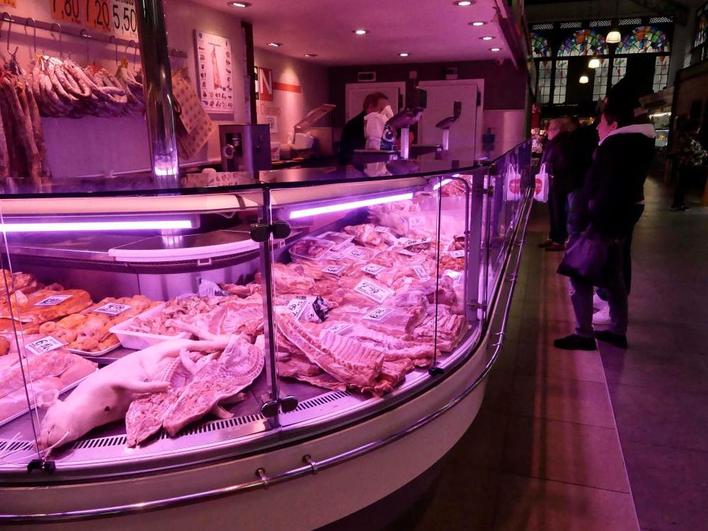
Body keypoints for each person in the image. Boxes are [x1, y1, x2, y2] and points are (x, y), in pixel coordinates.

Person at [554, 78, 655, 351]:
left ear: (613, 123)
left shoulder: (616, 146)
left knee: (580, 274)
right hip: (616, 223)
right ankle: (617, 330)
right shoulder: (639, 143)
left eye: (600, 122)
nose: (597, 127)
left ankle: (584, 333)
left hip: (598, 224)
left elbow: (604, 189)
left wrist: (585, 224)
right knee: (614, 276)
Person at [538, 117, 575, 251]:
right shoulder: (558, 142)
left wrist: (551, 171)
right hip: (555, 182)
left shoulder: (563, 143)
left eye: (550, 129)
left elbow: (563, 163)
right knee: (554, 211)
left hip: (559, 183)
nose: (547, 132)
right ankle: (554, 237)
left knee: (559, 211)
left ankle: (558, 240)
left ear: (557, 130)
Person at [338, 92, 390, 164]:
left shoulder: (379, 124)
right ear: (370, 107)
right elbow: (355, 153)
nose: (385, 114)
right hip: (355, 168)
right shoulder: (353, 126)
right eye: (382, 109)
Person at [670, 116, 707, 211]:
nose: (699, 129)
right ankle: (677, 204)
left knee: (683, 185)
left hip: (688, 164)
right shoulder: (686, 138)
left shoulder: (687, 137)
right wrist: (704, 153)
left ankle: (679, 203)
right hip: (687, 165)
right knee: (682, 185)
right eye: (698, 127)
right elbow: (691, 151)